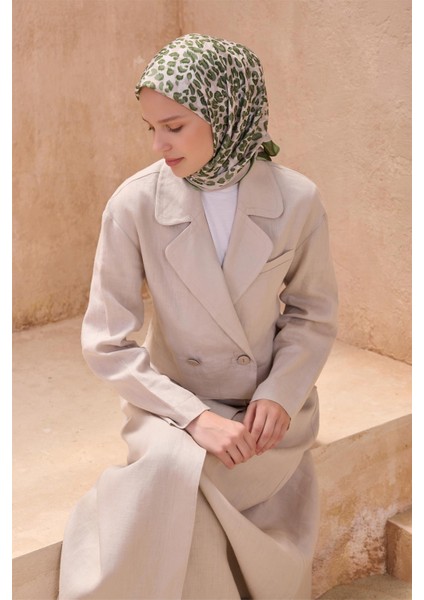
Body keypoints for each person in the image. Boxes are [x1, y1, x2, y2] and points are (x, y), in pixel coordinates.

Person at [58, 33, 338, 600]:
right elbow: (106, 342)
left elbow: (312, 313)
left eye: (174, 126)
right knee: (173, 476)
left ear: (226, 112)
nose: (158, 144)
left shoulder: (298, 199)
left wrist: (280, 394)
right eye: (150, 127)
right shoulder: (134, 204)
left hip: (266, 411)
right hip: (170, 405)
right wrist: (193, 417)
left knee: (182, 491)